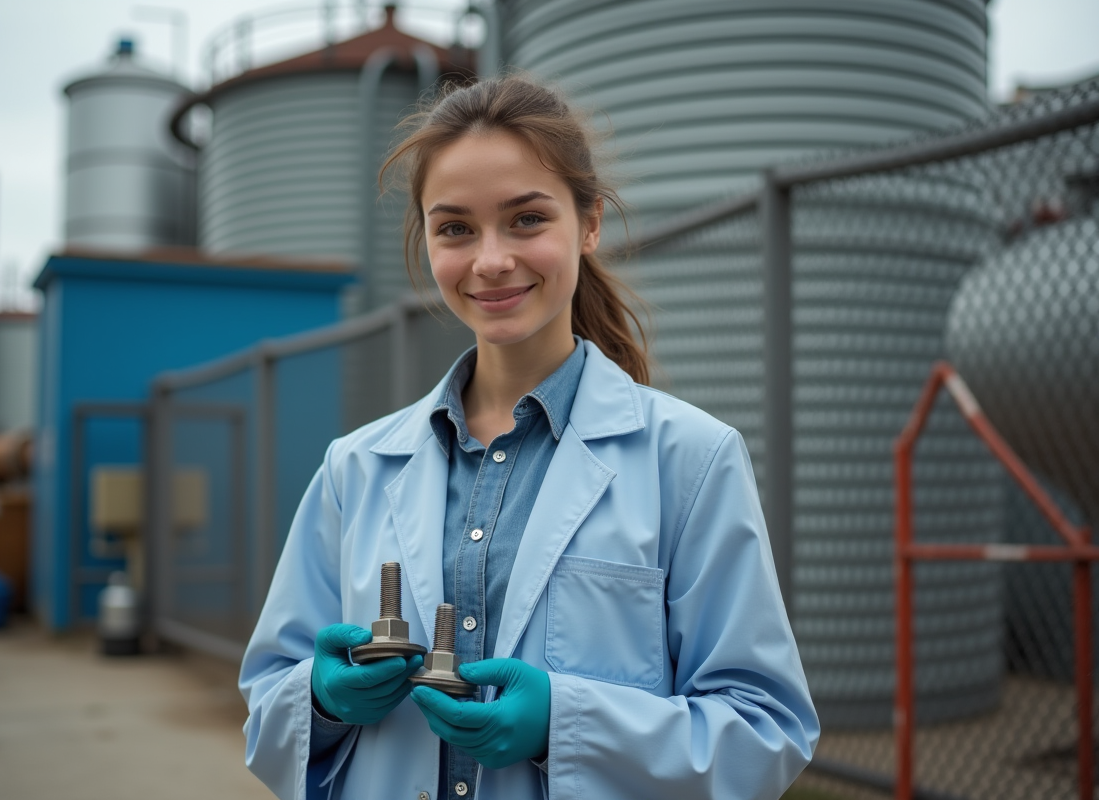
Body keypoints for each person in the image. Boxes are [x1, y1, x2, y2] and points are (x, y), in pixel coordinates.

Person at [239, 75, 819, 800]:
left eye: (526, 219)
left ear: (590, 223)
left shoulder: (691, 460)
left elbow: (765, 731)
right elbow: (266, 708)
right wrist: (320, 701)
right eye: (455, 228)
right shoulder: (353, 469)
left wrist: (566, 725)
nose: (489, 261)